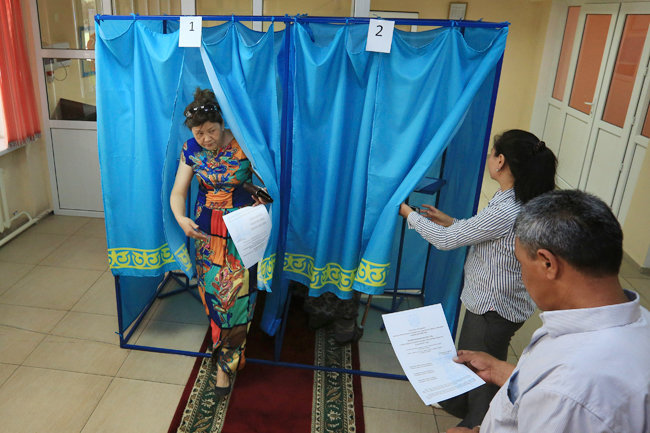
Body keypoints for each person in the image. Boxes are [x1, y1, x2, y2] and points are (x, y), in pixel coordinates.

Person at [447, 189, 650, 433]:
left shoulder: (570, 392)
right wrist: (500, 371)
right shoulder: (637, 322)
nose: (522, 276)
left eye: (521, 263)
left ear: (548, 263)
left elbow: (560, 395)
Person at [398, 129, 557, 428]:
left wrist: (407, 213)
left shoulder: (509, 208)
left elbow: (447, 241)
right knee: (474, 357)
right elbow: (483, 233)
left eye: (492, 153)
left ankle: (477, 423)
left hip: (493, 306)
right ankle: (461, 404)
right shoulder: (517, 198)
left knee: (481, 369)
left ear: (501, 161)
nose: (488, 158)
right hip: (501, 302)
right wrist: (450, 221)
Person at [170, 88, 268, 397]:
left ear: (222, 123)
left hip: (241, 232)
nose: (206, 138)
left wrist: (262, 196)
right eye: (199, 133)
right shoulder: (191, 149)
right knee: (214, 297)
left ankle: (226, 365)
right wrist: (181, 218)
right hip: (206, 235)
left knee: (239, 297)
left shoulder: (244, 143)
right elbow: (178, 192)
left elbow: (268, 182)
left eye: (211, 131)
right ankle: (228, 352)